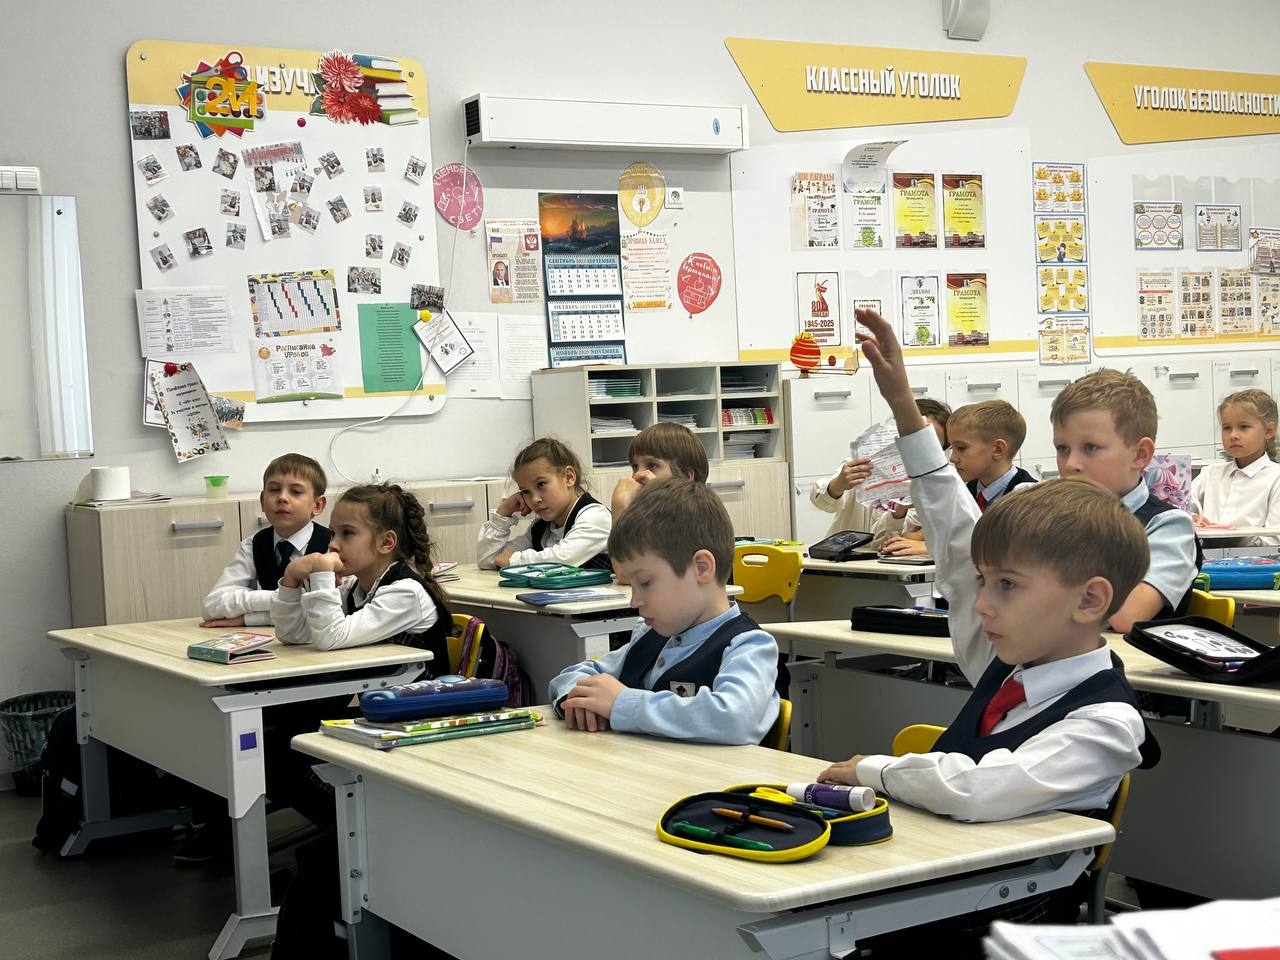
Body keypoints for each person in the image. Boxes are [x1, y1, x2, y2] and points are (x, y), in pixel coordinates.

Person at [817, 306, 1160, 953]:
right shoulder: (1009, 664)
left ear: (1090, 600)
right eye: (986, 583)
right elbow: (952, 532)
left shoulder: (1108, 723)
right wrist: (903, 408)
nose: (981, 606)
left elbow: (978, 790)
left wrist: (874, 770)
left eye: (1007, 586)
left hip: (998, 930)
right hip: (929, 892)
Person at [549, 479, 780, 744]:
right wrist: (578, 700)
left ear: (702, 568)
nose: (634, 601)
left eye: (645, 582)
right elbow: (573, 675)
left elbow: (735, 717)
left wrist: (622, 704)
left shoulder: (749, 645)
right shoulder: (651, 634)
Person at [1050, 369, 1199, 631]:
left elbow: (1126, 615)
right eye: (1062, 449)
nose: (1071, 464)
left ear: (1140, 454)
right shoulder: (1051, 516)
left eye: (1090, 447)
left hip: (1123, 657)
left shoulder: (1168, 526)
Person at [200, 454, 331, 627]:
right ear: (262, 501)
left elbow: (332, 613)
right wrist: (283, 599)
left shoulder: (334, 546)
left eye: (296, 492)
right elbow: (212, 606)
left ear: (317, 505)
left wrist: (248, 619)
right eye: (274, 489)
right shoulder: (253, 545)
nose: (282, 498)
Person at [478, 438, 611, 570]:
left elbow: (563, 559)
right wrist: (503, 513)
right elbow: (490, 560)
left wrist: (514, 560)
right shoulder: (540, 527)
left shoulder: (596, 516)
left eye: (541, 484)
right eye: (525, 491)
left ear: (569, 477)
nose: (534, 499)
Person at [1190, 388, 1280, 547]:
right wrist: (1190, 518)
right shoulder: (1210, 473)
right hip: (1206, 560)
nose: (1233, 435)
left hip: (1258, 561)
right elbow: (1178, 506)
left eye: (1244, 427)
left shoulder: (1276, 478)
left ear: (1268, 431)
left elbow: (1274, 539)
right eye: (1227, 428)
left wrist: (1232, 536)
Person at [944, 400, 1037, 512]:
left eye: (961, 448)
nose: (952, 458)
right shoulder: (967, 490)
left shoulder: (1030, 501)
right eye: (952, 448)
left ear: (998, 449)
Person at [610, 421, 710, 517]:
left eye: (652, 465)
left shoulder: (699, 520)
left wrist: (620, 511)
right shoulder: (646, 515)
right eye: (636, 467)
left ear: (686, 478)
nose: (637, 475)